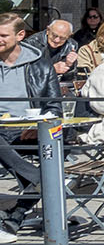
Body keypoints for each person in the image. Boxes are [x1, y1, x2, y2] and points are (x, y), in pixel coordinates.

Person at [0, 13, 62, 237]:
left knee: (52, 152)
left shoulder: (41, 65)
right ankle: (41, 182)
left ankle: (17, 213)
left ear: (20, 36)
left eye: (3, 35)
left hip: (29, 131)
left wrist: (38, 127)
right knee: (46, 174)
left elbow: (55, 107)